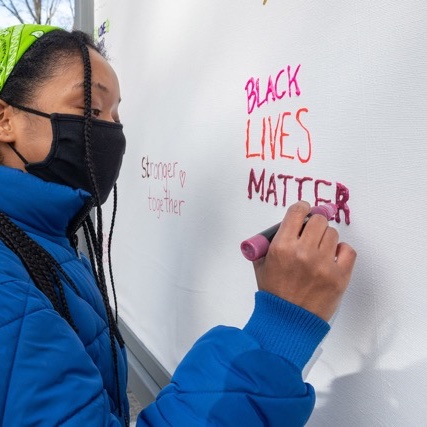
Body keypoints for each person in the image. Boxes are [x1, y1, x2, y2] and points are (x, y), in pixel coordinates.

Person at [0, 24, 356, 426]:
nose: (111, 131)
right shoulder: (8, 283)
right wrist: (279, 331)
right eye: (91, 109)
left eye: (116, 115)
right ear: (5, 120)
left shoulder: (42, 239)